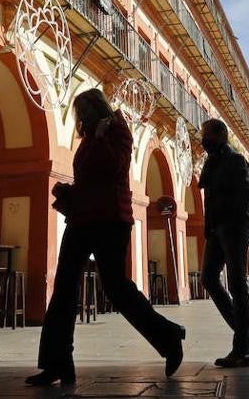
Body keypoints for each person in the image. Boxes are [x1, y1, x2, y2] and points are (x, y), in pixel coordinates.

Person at [29, 89, 185, 386]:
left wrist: (100, 137)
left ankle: (169, 337)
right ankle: (57, 363)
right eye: (79, 113)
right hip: (82, 219)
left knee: (116, 288)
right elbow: (89, 179)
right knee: (63, 288)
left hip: (111, 220)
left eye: (85, 110)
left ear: (98, 107)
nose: (82, 117)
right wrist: (69, 193)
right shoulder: (89, 137)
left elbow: (115, 168)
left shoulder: (118, 131)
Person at [198, 118, 249, 368]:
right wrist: (209, 226)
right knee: (208, 278)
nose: (203, 139)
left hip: (235, 226)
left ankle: (242, 350)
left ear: (220, 135)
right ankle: (245, 328)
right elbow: (206, 192)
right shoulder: (211, 162)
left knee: (237, 283)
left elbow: (247, 193)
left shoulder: (236, 160)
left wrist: (225, 214)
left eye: (206, 134)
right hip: (216, 229)